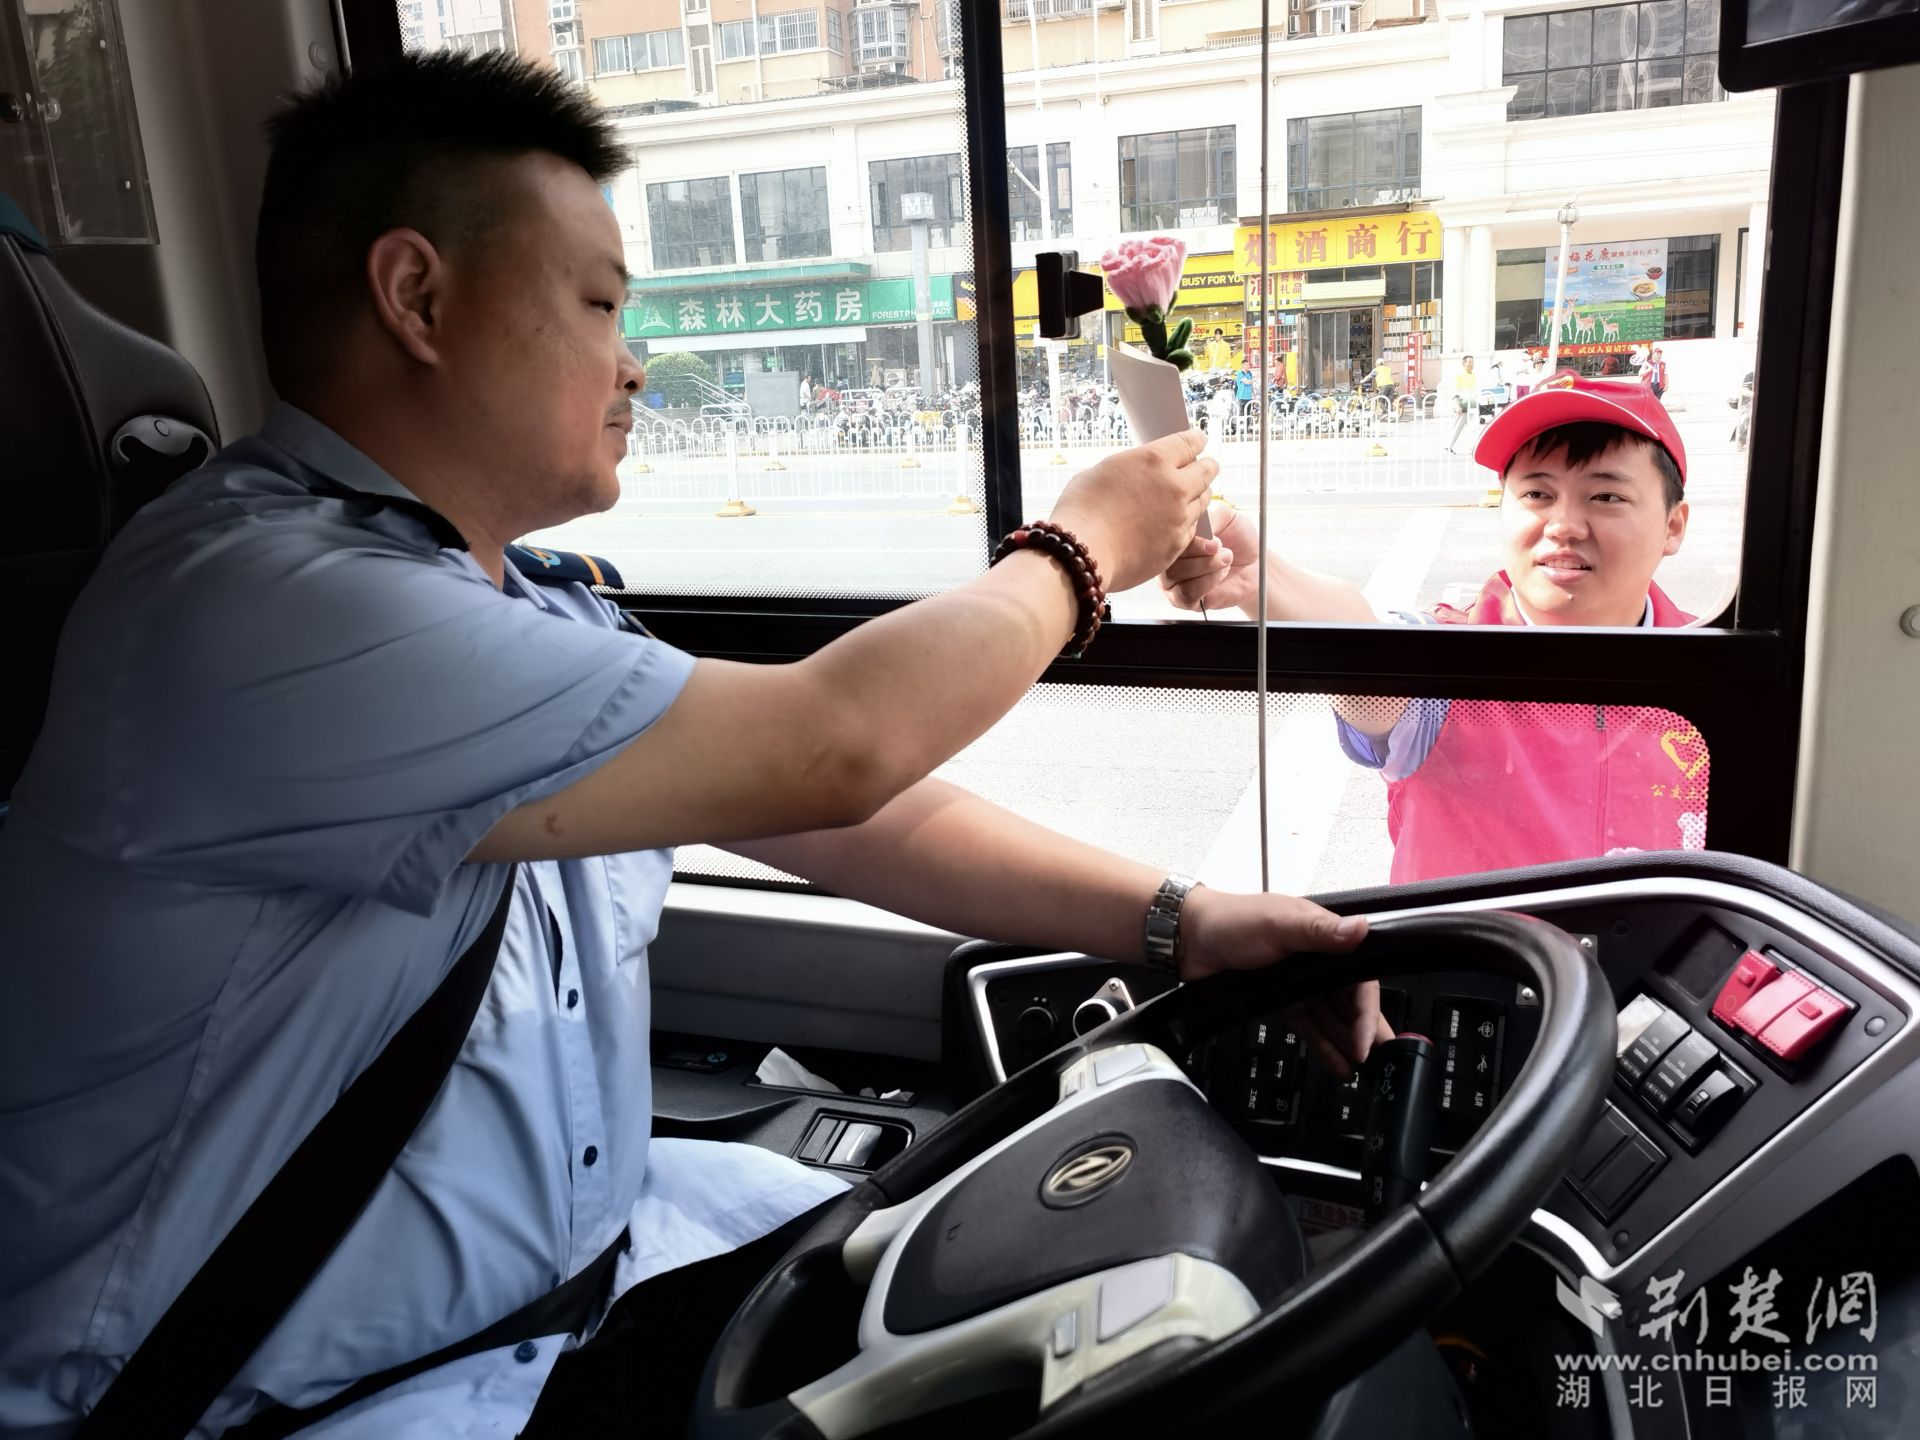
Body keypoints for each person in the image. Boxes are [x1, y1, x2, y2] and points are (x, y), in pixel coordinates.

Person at [0, 54, 1386, 1439]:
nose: (634, 361)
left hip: (582, 1295)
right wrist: (1080, 554)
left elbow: (837, 810)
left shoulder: (509, 603)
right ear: (416, 296)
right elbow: (834, 745)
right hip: (303, 1404)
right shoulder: (263, 609)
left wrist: (1177, 920)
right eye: (600, 303)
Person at [1161, 373, 1707, 884]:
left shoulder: (1718, 675)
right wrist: (1262, 579)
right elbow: (1365, 649)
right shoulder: (1450, 664)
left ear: (1673, 525)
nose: (1563, 525)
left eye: (1606, 496)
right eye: (1537, 494)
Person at [1446, 355, 1477, 452]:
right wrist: (1457, 405)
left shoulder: (1473, 375)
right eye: (1469, 362)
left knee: (1473, 428)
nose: (1471, 364)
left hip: (1472, 405)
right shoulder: (1460, 375)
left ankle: (1472, 448)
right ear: (1464, 363)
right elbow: (1455, 391)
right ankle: (1448, 446)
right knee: (1457, 427)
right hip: (1462, 405)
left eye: (1472, 362)